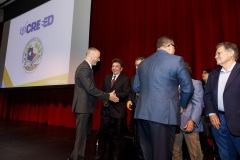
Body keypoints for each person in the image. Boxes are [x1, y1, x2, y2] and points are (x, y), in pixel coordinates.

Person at [133, 36, 194, 160]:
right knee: (162, 155)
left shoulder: (143, 63)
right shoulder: (176, 60)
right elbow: (188, 88)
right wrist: (181, 106)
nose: (174, 50)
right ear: (169, 46)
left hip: (142, 114)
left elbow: (136, 87)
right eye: (174, 47)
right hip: (164, 115)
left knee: (148, 154)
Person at [68, 47, 119, 160]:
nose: (99, 59)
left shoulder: (87, 68)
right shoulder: (84, 68)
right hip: (83, 107)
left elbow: (91, 89)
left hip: (86, 107)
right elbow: (90, 89)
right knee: (82, 138)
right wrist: (108, 96)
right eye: (98, 57)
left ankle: (73, 157)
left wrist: (106, 95)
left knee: (85, 136)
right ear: (90, 55)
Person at [204, 42, 240, 160]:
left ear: (231, 54)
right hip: (218, 121)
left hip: (237, 122)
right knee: (226, 156)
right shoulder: (213, 75)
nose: (215, 56)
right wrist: (212, 113)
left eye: (218, 53)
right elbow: (208, 95)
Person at [96, 58, 130, 160]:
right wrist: (105, 98)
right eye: (113, 66)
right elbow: (103, 92)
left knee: (117, 137)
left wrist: (112, 95)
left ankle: (115, 156)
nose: (114, 68)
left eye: (117, 67)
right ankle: (100, 155)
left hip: (118, 112)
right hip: (105, 111)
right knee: (102, 135)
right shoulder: (106, 78)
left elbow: (125, 93)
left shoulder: (125, 78)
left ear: (121, 69)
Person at [172, 63, 204, 160]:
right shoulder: (171, 85)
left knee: (195, 154)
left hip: (189, 123)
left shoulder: (195, 83)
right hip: (174, 123)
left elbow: (198, 104)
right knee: (175, 153)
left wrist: (192, 121)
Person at [126, 56, 145, 159]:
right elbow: (131, 91)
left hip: (147, 112)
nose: (137, 67)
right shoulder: (133, 78)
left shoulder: (151, 76)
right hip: (136, 111)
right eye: (136, 65)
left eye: (139, 65)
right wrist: (129, 99)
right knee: (137, 136)